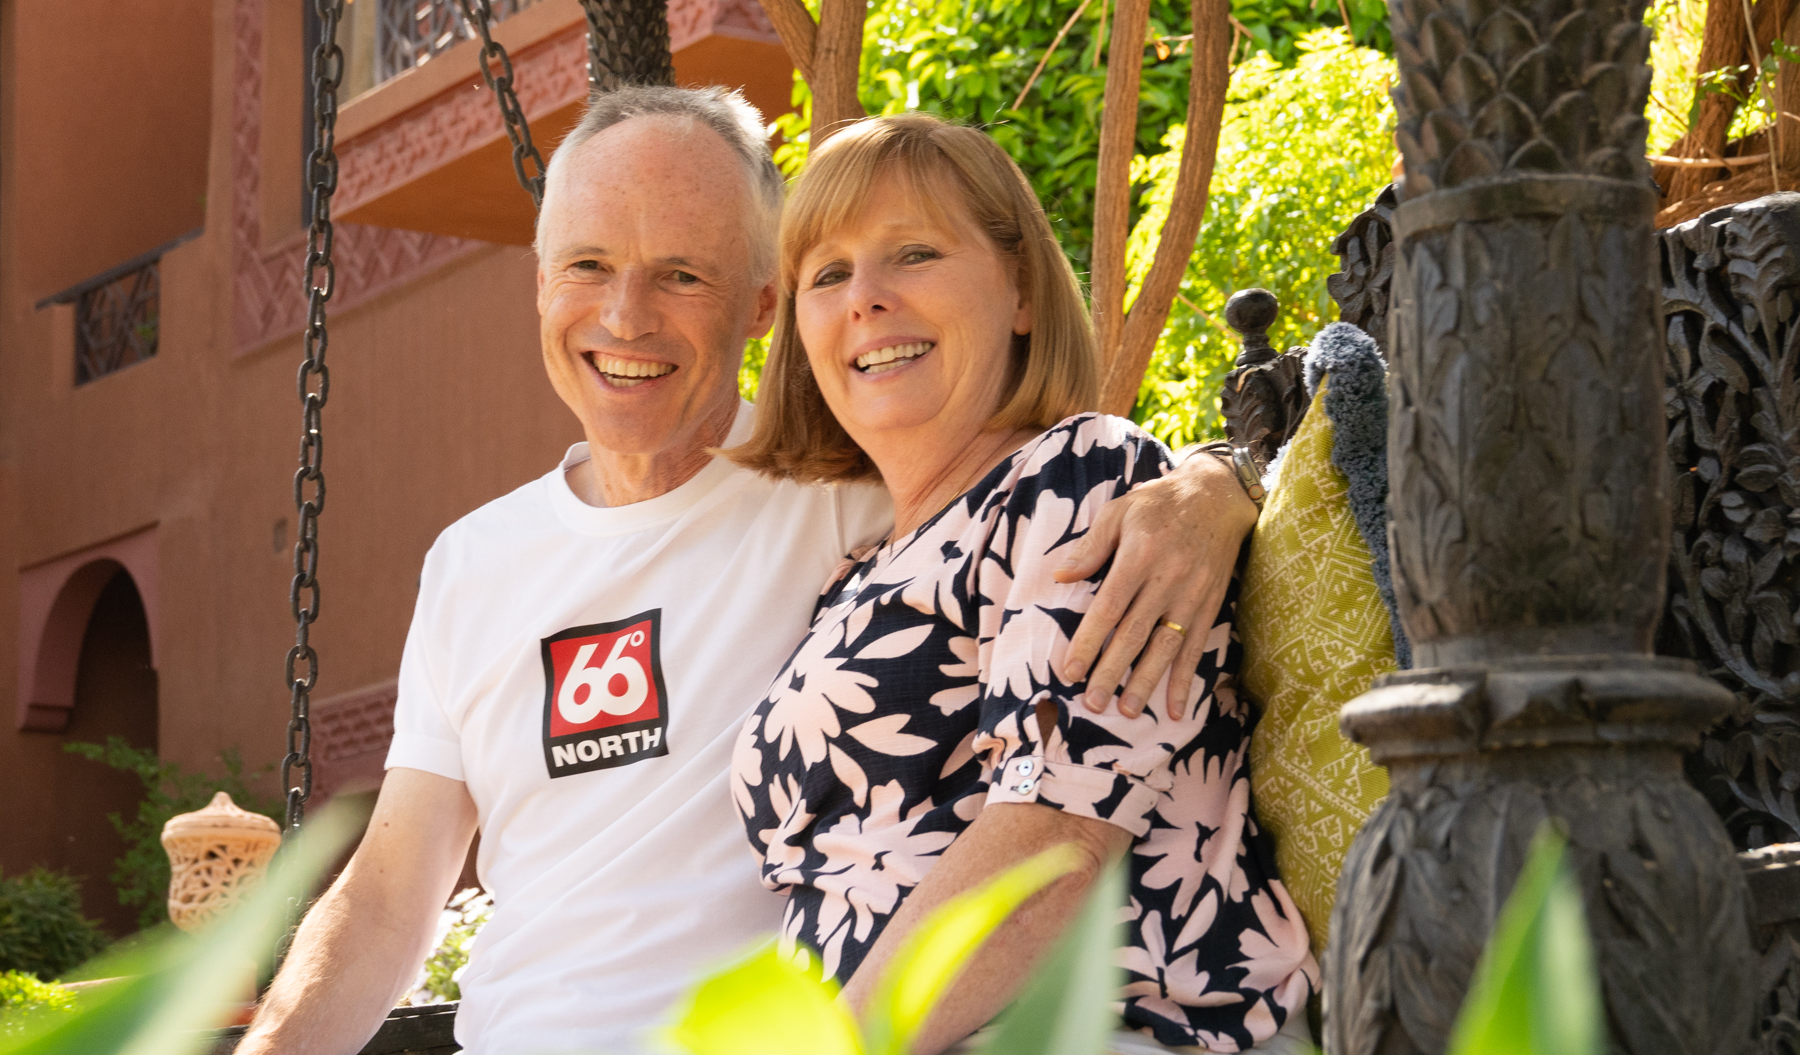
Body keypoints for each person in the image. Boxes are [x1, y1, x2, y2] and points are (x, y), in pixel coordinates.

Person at [238, 87, 1263, 1055]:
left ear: (760, 304)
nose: (626, 316)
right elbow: (384, 896)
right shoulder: (476, 562)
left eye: (681, 274)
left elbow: (1069, 524)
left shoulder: (853, 497)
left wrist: (1222, 481)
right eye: (587, 265)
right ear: (541, 281)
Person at [728, 114, 1316, 1054]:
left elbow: (1055, 842)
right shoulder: (854, 574)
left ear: (1022, 295)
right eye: (827, 275)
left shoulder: (1078, 477)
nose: (864, 300)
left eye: (912, 253)